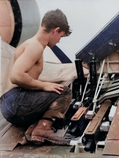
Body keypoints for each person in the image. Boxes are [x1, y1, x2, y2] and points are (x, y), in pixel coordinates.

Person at [1, 9, 73, 145]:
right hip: (16, 101)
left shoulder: (30, 44)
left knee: (49, 90)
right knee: (64, 91)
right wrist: (45, 85)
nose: (58, 41)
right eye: (60, 37)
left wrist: (45, 85)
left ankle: (33, 131)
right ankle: (43, 128)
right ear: (56, 30)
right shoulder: (35, 46)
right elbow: (16, 76)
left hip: (9, 104)